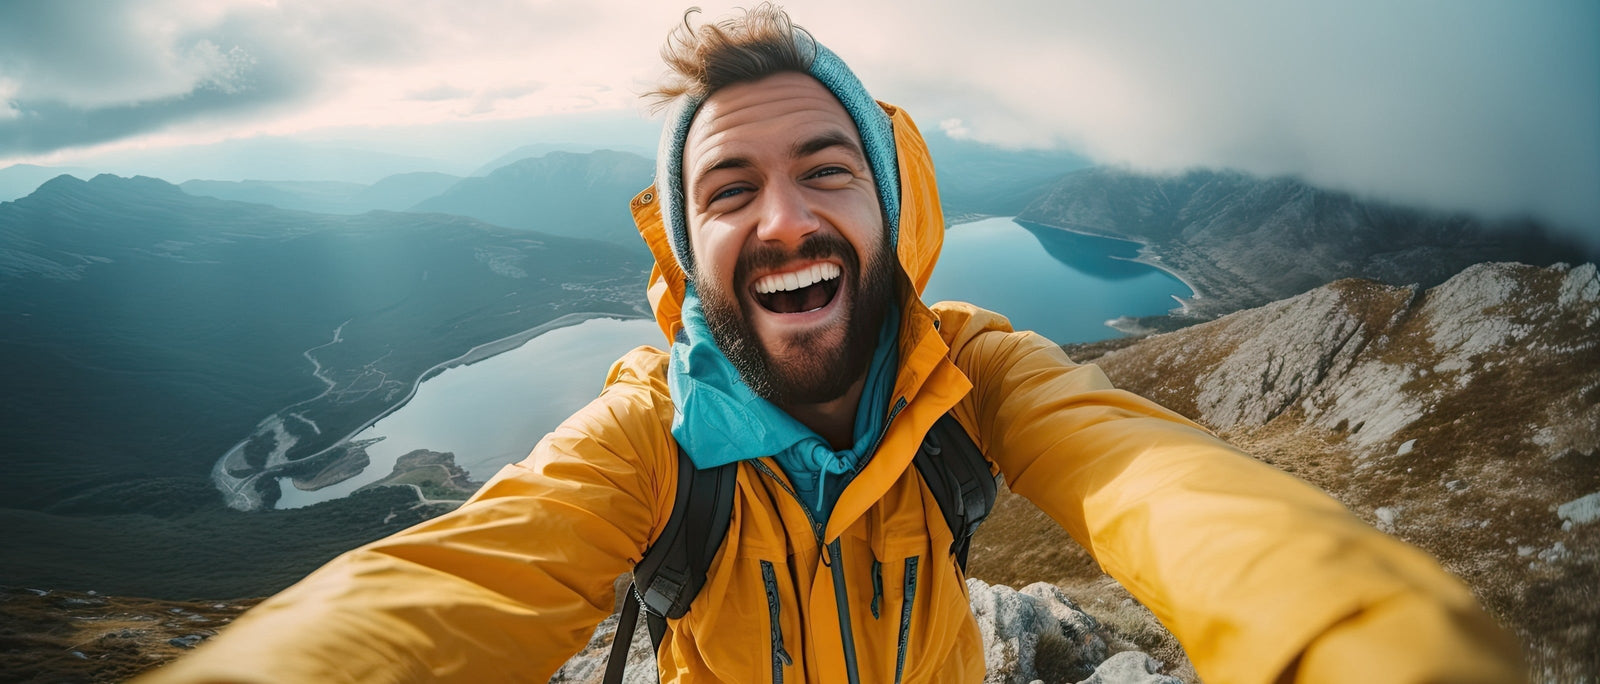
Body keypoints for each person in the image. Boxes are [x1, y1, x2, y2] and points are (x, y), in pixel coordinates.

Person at [142, 5, 1523, 683]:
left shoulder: (972, 373)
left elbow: (1162, 488)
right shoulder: (647, 436)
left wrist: (1380, 646)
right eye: (729, 193)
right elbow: (444, 587)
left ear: (891, 202)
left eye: (828, 170)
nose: (785, 217)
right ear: (691, 255)